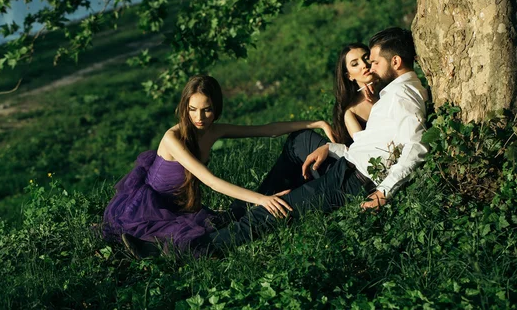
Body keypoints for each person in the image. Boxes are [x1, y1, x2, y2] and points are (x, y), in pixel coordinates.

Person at [196, 27, 429, 253]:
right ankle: (225, 227)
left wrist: (384, 192)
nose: (371, 67)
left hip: (353, 182)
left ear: (396, 62)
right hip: (346, 170)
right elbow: (371, 146)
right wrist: (331, 148)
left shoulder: (403, 97)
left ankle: (198, 250)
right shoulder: (395, 94)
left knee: (272, 212)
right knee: (281, 200)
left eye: (375, 61)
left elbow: (417, 146)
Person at [101, 75, 330, 256]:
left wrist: (317, 122)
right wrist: (261, 199)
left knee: (237, 214)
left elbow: (266, 130)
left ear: (216, 107)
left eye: (206, 109)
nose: (199, 117)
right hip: (150, 210)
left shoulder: (214, 130)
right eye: (192, 109)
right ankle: (152, 249)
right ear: (185, 107)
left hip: (180, 207)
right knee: (198, 238)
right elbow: (211, 182)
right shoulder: (173, 138)